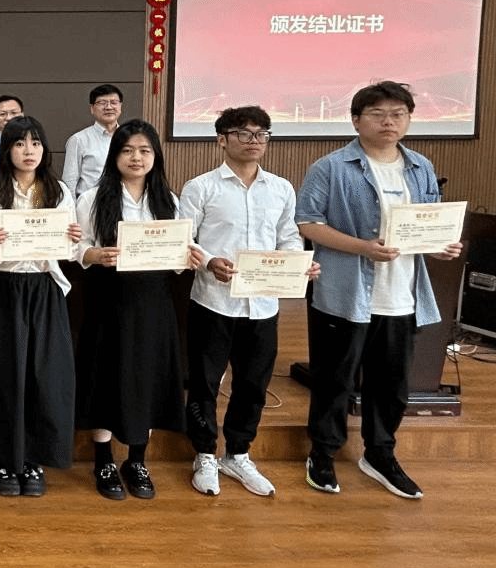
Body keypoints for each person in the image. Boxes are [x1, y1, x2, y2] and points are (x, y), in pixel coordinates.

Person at [296, 81, 463, 499]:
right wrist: (363, 248)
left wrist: (439, 247)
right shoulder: (331, 167)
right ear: (356, 120)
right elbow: (308, 223)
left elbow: (425, 224)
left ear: (409, 119)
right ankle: (323, 452)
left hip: (401, 295)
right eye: (378, 114)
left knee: (391, 384)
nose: (389, 122)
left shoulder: (420, 167)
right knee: (334, 379)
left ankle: (380, 453)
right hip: (343, 293)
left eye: (398, 114)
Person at [179, 106, 318, 498]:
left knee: (253, 383)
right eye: (244, 133)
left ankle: (237, 453)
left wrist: (299, 265)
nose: (254, 141)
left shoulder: (281, 188)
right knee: (205, 383)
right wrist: (209, 261)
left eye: (261, 134)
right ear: (222, 140)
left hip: (263, 305)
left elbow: (288, 237)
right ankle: (204, 454)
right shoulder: (201, 187)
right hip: (213, 301)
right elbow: (186, 239)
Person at [75, 118, 200, 501]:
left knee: (146, 378)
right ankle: (103, 460)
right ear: (115, 155)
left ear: (155, 156)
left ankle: (137, 460)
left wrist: (189, 257)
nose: (136, 157)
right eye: (128, 150)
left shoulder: (169, 200)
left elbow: (179, 255)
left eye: (145, 151)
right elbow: (77, 248)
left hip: (153, 305)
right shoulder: (93, 198)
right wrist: (94, 255)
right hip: (108, 300)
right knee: (106, 377)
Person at [0, 116, 80, 498]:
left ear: (44, 149)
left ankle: (33, 457)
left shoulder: (59, 191)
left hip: (45, 288)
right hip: (2, 288)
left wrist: (72, 238)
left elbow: (70, 250)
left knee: (43, 377)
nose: (28, 150)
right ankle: (2, 458)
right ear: (7, 150)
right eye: (19, 143)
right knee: (3, 376)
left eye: (35, 142)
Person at [61, 84, 123, 200]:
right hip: (89, 205)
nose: (108, 107)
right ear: (92, 109)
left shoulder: (129, 138)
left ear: (120, 106)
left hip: (123, 204)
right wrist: (72, 209)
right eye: (102, 103)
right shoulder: (78, 140)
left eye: (113, 102)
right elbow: (69, 181)